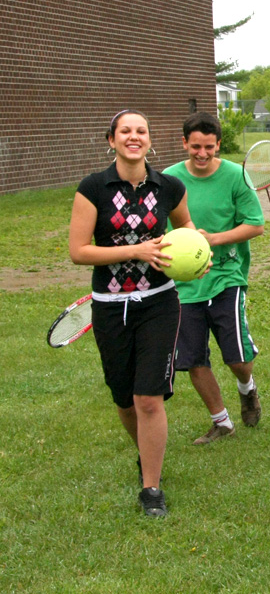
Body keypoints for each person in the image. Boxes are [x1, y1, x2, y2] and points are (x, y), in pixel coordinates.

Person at [69, 109, 196, 517]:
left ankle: (152, 489)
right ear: (112, 139)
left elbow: (187, 231)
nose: (134, 136)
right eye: (126, 131)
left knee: (147, 399)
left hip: (158, 302)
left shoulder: (169, 187)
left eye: (141, 130)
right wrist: (135, 250)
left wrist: (196, 257)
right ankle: (146, 454)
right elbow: (79, 251)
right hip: (108, 307)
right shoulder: (93, 188)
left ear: (149, 139)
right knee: (123, 398)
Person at [163, 113, 265, 444]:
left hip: (226, 276)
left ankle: (247, 388)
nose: (202, 153)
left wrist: (212, 240)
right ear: (184, 144)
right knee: (193, 359)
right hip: (183, 284)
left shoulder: (236, 176)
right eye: (195, 147)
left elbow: (255, 224)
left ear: (219, 144)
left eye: (209, 147)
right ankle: (222, 422)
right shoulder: (168, 180)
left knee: (237, 358)